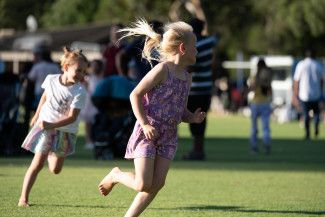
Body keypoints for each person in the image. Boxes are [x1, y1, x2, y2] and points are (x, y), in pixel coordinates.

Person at [98, 19, 206, 217]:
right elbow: (135, 95)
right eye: (195, 47)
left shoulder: (187, 77)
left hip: (168, 136)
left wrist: (193, 117)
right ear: (183, 48)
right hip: (148, 131)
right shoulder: (161, 70)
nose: (197, 51)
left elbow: (180, 110)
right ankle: (116, 175)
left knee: (157, 184)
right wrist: (145, 124)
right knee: (142, 183)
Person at [18, 47, 89, 207]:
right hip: (46, 128)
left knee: (56, 170)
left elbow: (72, 117)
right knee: (37, 164)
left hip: (65, 131)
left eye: (84, 72)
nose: (81, 75)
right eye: (78, 70)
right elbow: (44, 96)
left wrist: (51, 124)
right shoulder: (50, 79)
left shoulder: (80, 91)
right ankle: (23, 198)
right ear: (65, 67)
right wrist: (36, 116)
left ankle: (51, 154)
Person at [182, 18, 217, 160]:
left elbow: (191, 66)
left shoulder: (197, 45)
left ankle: (197, 152)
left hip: (195, 90)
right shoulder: (209, 42)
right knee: (201, 119)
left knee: (194, 119)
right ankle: (199, 150)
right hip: (207, 88)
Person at [292, 49, 324, 139]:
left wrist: (295, 95)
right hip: (316, 94)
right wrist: (321, 91)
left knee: (306, 114)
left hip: (304, 94)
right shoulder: (318, 65)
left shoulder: (301, 65)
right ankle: (316, 130)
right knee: (317, 113)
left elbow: (296, 81)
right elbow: (322, 80)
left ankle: (307, 133)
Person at [248, 58, 273, 154]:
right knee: (266, 127)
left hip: (255, 103)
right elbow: (270, 91)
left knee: (254, 128)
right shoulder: (267, 77)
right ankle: (266, 145)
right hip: (265, 103)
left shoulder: (255, 76)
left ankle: (254, 148)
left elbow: (252, 88)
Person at [28, 44, 61, 110]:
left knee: (39, 111)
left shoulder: (38, 66)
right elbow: (59, 77)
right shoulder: (54, 66)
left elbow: (30, 77)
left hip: (39, 91)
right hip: (52, 93)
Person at [80, 59, 104, 150]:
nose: (94, 67)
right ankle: (88, 141)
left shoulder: (102, 78)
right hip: (89, 102)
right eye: (93, 65)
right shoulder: (88, 78)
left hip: (98, 102)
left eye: (96, 65)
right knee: (88, 122)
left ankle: (96, 140)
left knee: (98, 122)